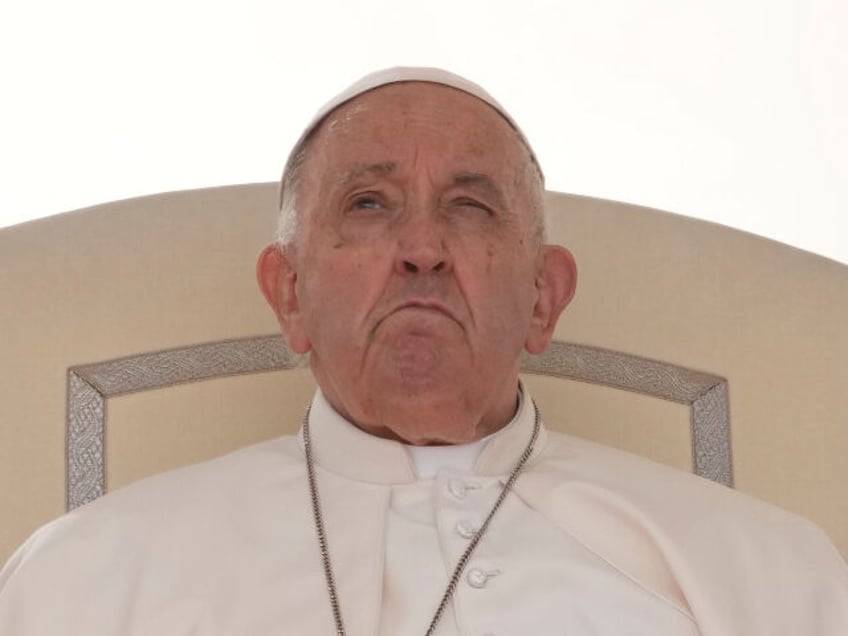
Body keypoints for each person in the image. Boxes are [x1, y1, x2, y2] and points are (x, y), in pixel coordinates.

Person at [1, 67, 847, 635]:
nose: (422, 248)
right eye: (368, 204)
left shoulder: (763, 576)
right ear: (289, 295)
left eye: (471, 208)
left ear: (544, 299)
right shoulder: (87, 581)